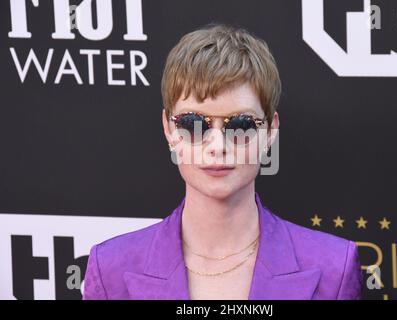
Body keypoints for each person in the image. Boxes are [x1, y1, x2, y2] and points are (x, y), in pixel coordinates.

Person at [83, 23, 362, 300]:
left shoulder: (334, 267)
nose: (217, 146)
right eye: (193, 123)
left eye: (240, 123)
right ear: (169, 130)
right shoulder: (110, 268)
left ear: (270, 131)